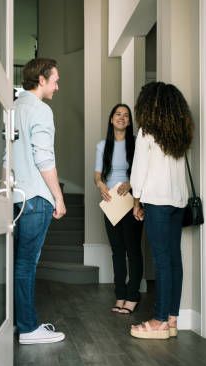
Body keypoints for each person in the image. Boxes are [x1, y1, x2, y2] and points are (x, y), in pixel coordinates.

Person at [129, 82, 194, 340]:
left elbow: (139, 171)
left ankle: (158, 320)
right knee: (174, 260)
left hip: (156, 200)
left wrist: (136, 200)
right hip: (178, 201)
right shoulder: (179, 133)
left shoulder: (147, 132)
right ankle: (172, 318)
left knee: (161, 260)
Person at [10, 58, 67, 344]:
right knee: (26, 265)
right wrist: (58, 197)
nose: (57, 86)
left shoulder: (11, 107)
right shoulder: (41, 111)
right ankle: (29, 328)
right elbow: (44, 157)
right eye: (55, 80)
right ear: (41, 80)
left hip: (13, 196)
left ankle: (20, 322)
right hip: (35, 198)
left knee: (14, 264)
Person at [94, 104, 143, 314]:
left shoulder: (138, 144)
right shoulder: (102, 146)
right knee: (117, 251)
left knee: (133, 250)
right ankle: (120, 295)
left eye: (126, 115)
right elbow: (97, 175)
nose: (122, 118)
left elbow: (143, 171)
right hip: (111, 203)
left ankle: (132, 296)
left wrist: (131, 183)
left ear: (130, 122)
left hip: (132, 203)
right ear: (111, 119)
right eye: (118, 114)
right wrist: (100, 185)